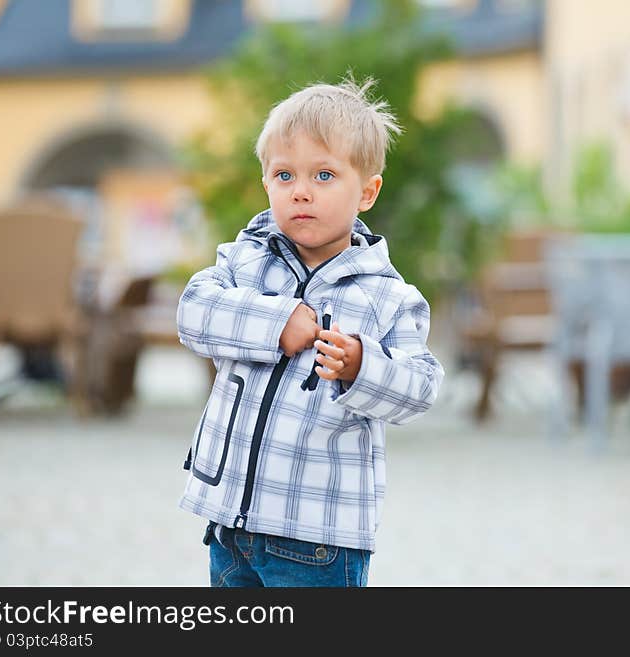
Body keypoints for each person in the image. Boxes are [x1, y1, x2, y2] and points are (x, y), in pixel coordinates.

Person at [175, 78, 444, 587]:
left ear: (367, 191)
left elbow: (422, 388)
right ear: (266, 184)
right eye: (284, 174)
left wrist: (362, 366)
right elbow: (194, 312)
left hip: (318, 538)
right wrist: (277, 322)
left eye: (324, 174)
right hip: (232, 527)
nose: (301, 190)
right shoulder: (244, 262)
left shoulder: (387, 295)